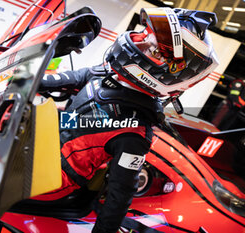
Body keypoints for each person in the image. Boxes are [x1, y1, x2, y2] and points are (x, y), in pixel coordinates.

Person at [35, 7, 219, 233]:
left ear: (171, 74)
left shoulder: (135, 132)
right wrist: (23, 79)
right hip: (44, 146)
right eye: (146, 35)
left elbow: (120, 195)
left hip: (52, 180)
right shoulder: (110, 73)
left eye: (155, 49)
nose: (139, 41)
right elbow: (74, 77)